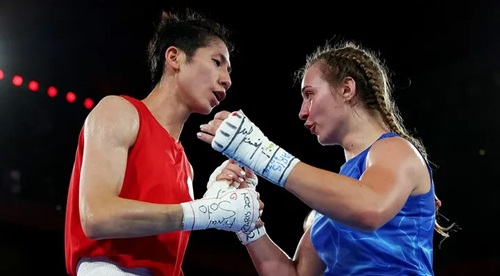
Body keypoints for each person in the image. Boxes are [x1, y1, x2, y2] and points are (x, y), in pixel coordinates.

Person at [196, 40, 457, 275]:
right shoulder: (335, 198)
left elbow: (369, 208)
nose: (301, 112)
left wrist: (260, 152)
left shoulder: (397, 151)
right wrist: (248, 224)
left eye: (309, 94)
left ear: (347, 89)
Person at [64, 9, 264, 276]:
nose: (227, 80)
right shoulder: (119, 111)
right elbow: (96, 216)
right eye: (217, 62)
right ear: (175, 57)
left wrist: (216, 202)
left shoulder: (186, 169)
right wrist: (206, 211)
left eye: (228, 71)